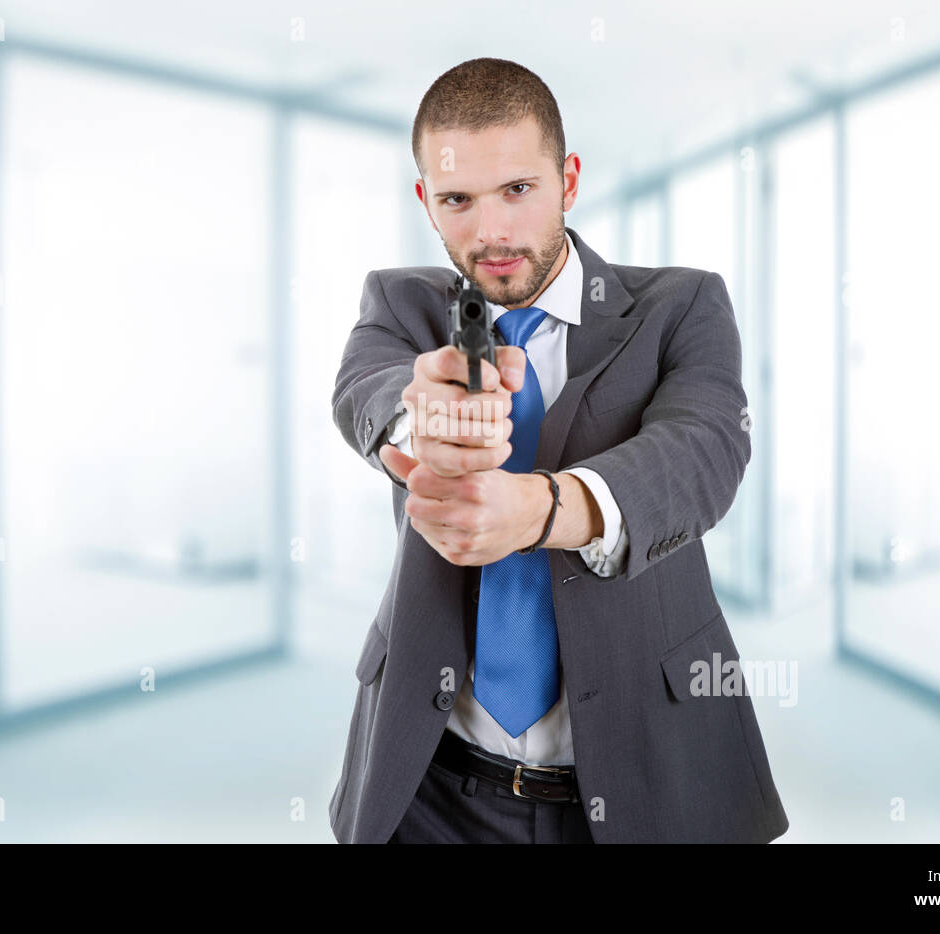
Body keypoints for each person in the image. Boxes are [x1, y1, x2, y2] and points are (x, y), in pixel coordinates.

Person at [329, 57, 789, 844]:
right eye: (457, 201)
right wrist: (420, 415)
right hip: (430, 789)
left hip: (647, 783)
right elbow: (364, 390)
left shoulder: (680, 305)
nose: (492, 231)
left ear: (568, 180)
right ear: (426, 204)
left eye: (517, 189)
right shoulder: (401, 305)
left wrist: (542, 511)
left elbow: (705, 451)